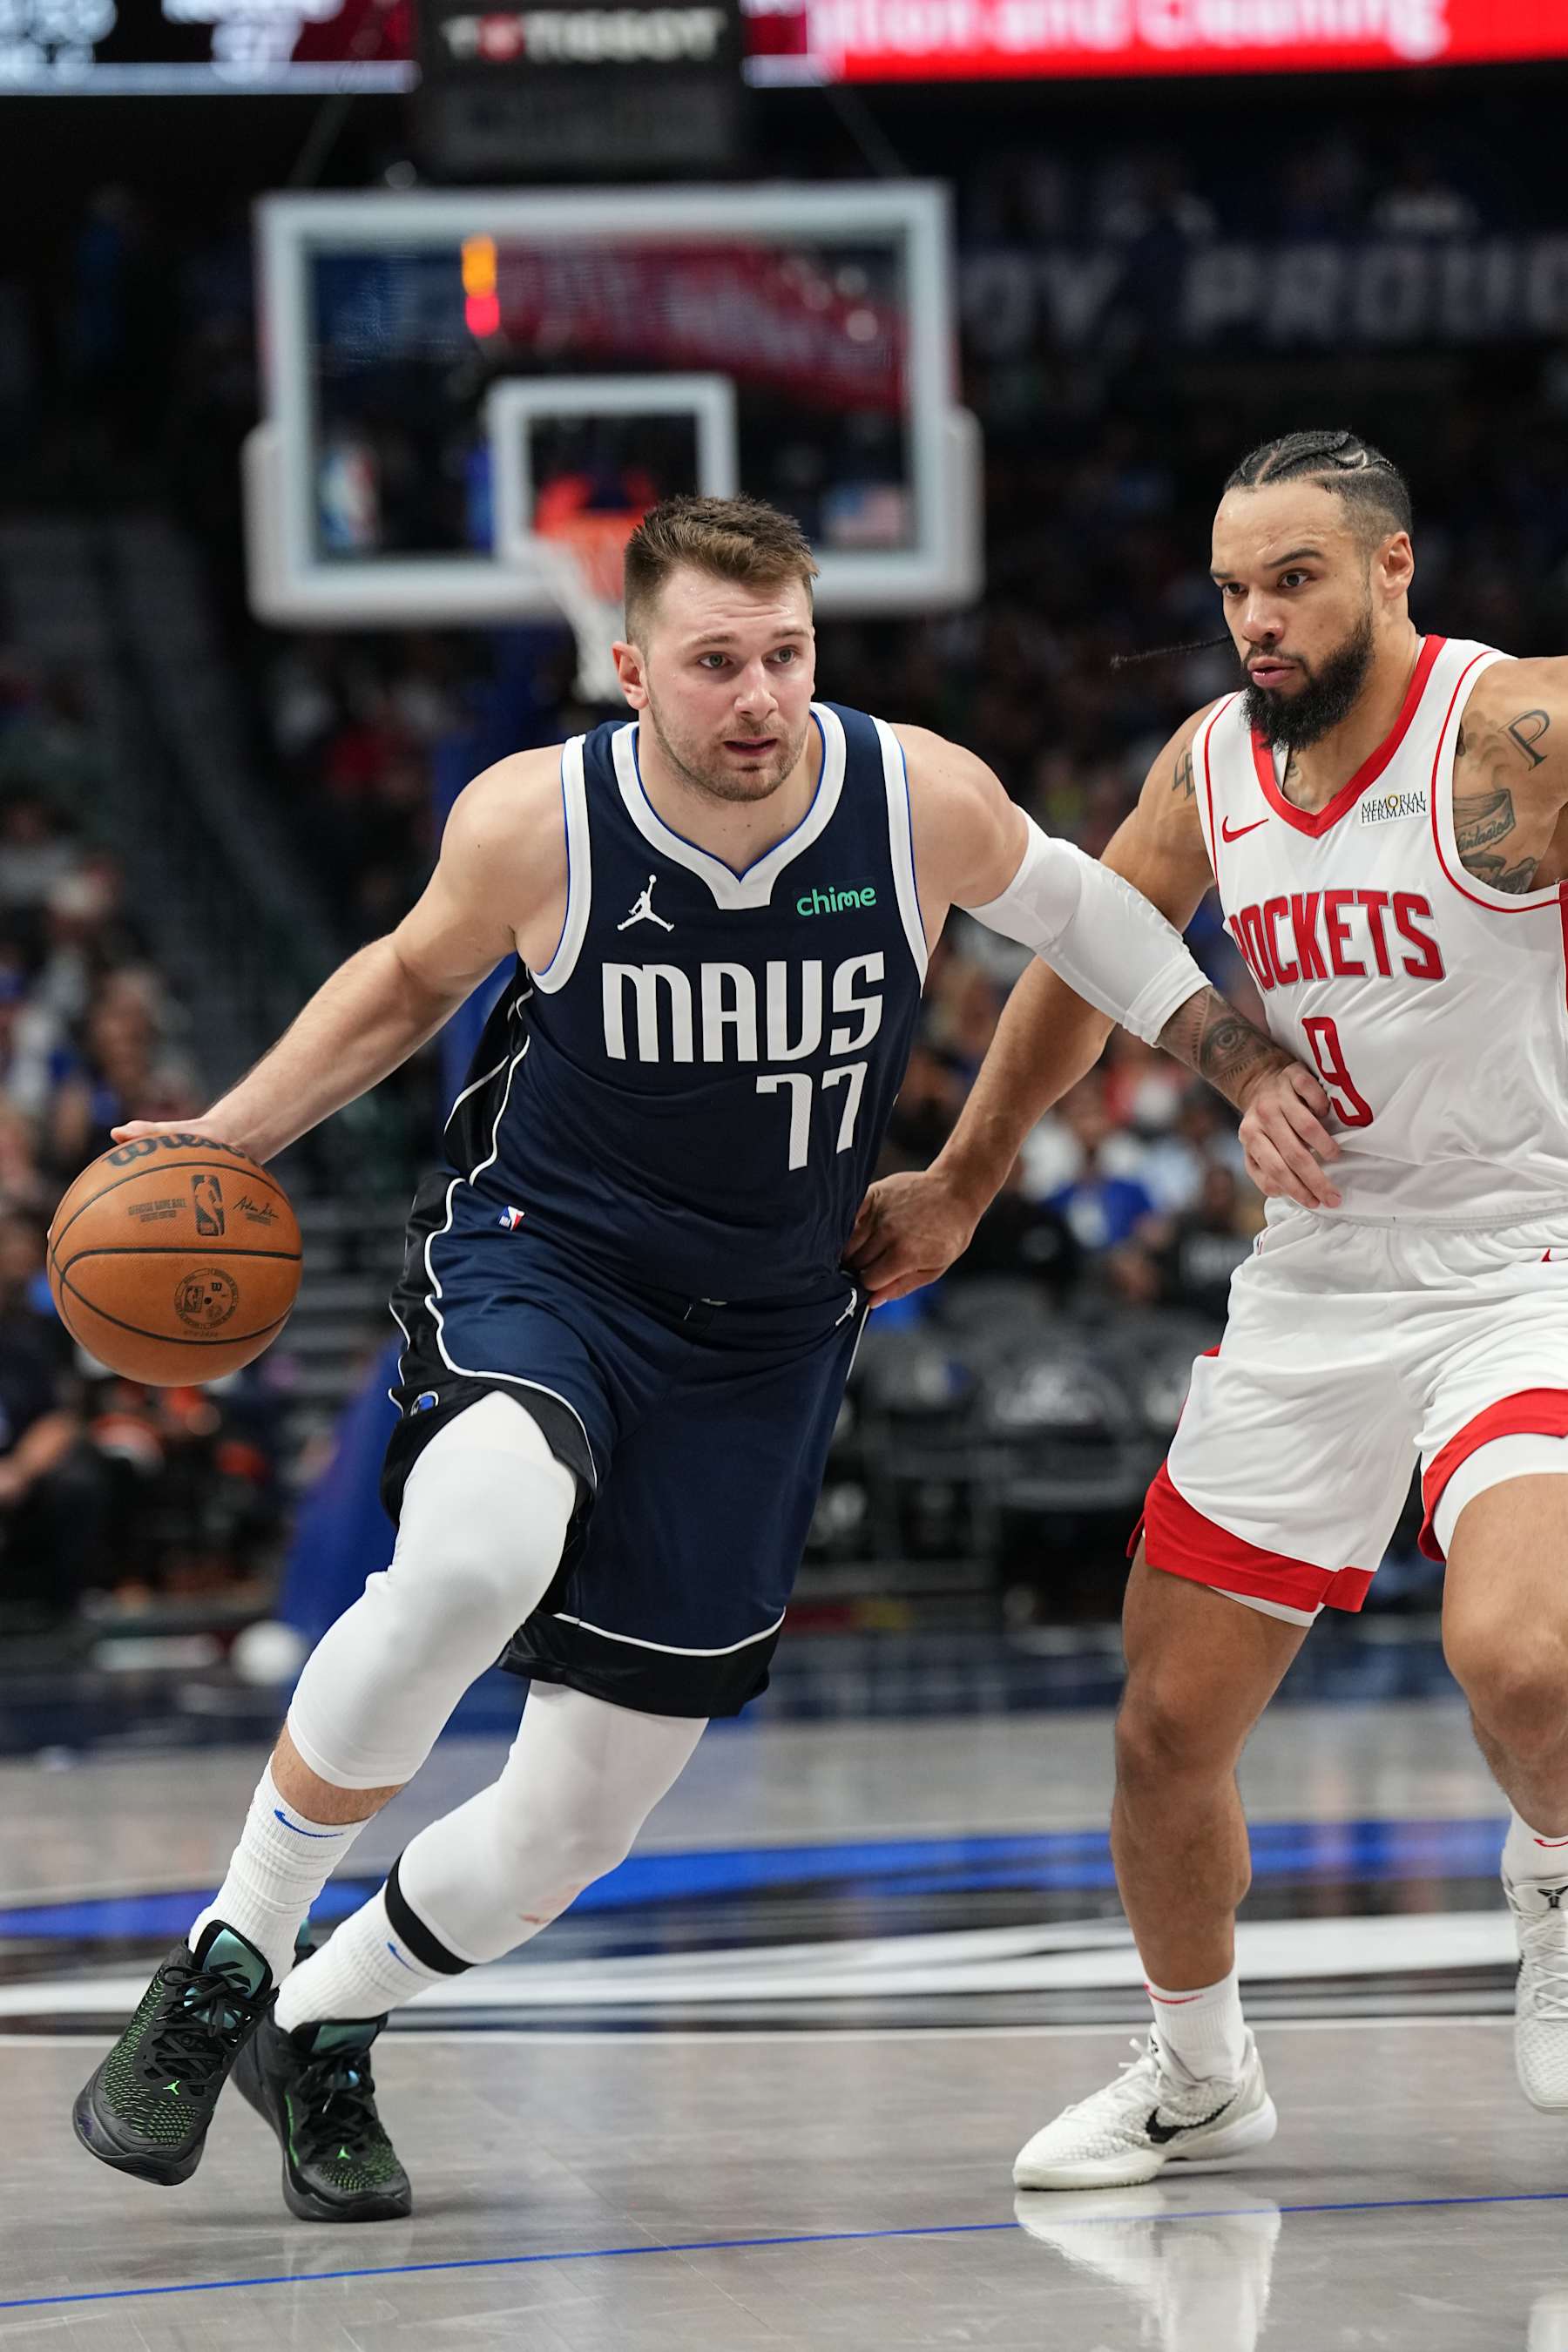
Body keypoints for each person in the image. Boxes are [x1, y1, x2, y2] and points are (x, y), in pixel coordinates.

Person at [71, 494, 1329, 2222]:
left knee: (576, 1820)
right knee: (472, 1559)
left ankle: (323, 2022)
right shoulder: (541, 820)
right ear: (633, 670)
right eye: (717, 661)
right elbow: (401, 984)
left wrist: (1236, 1054)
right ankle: (227, 1957)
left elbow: (1089, 915)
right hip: (549, 1268)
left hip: (765, 1332)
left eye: (785, 656)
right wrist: (225, 1136)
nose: (758, 696)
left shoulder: (911, 796)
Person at [853, 428, 1568, 2187]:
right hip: (1317, 1275)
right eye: (1234, 587)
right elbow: (1091, 954)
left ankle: (1553, 1874)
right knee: (1166, 1729)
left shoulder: (1519, 727)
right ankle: (1199, 2073)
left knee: (1526, 1659)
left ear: (1393, 567)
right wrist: (963, 1178)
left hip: (1527, 1256)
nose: (1255, 618)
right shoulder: (1211, 763)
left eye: (1294, 579)